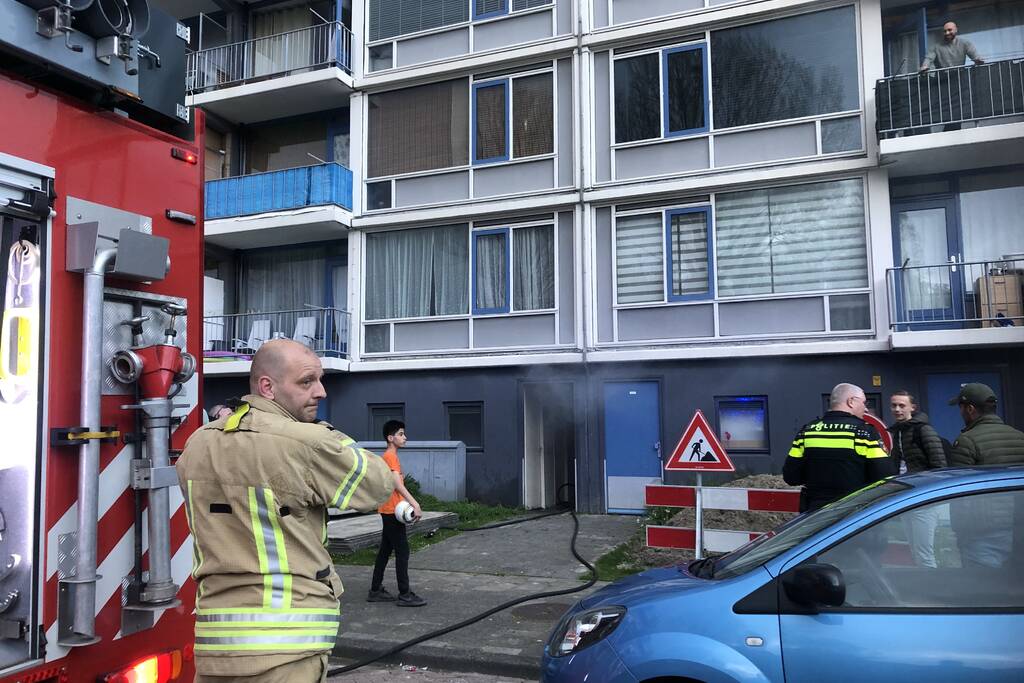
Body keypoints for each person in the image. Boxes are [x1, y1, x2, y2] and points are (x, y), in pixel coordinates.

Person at [177, 339, 395, 682]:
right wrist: (322, 433)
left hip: (217, 645)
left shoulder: (198, 443)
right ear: (268, 387)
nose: (321, 391)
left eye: (321, 380)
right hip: (288, 646)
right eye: (307, 381)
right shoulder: (306, 442)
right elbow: (378, 485)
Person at [947, 382, 1024, 568]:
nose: (960, 413)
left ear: (970, 409)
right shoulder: (1020, 437)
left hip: (982, 532)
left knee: (983, 590)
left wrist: (959, 531)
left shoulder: (966, 441)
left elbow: (959, 493)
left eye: (961, 408)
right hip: (1017, 527)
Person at [784, 383, 895, 512]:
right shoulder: (864, 433)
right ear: (851, 402)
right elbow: (885, 476)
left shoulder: (807, 432)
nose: (865, 409)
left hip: (813, 515)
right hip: (850, 516)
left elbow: (791, 477)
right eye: (864, 403)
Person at [368, 420, 426, 607]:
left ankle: (375, 590)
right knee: (403, 551)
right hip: (392, 511)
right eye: (401, 434)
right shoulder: (390, 456)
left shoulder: (390, 456)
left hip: (390, 510)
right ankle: (405, 594)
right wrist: (414, 503)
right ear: (390, 438)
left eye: (404, 434)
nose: (405, 437)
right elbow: (397, 484)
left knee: (385, 550)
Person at [888, 390, 947, 568]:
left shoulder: (923, 430)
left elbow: (939, 465)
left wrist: (930, 494)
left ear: (912, 408)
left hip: (923, 499)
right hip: (906, 495)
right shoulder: (897, 432)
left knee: (924, 552)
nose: (897, 409)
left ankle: (932, 589)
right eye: (894, 405)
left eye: (902, 405)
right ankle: (923, 586)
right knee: (915, 551)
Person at [919, 21, 984, 71]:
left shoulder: (965, 43)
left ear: (956, 30)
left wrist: (978, 60)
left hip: (960, 76)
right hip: (943, 80)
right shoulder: (936, 47)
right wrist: (925, 66)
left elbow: (975, 56)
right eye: (945, 31)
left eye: (949, 30)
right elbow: (928, 58)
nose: (947, 33)